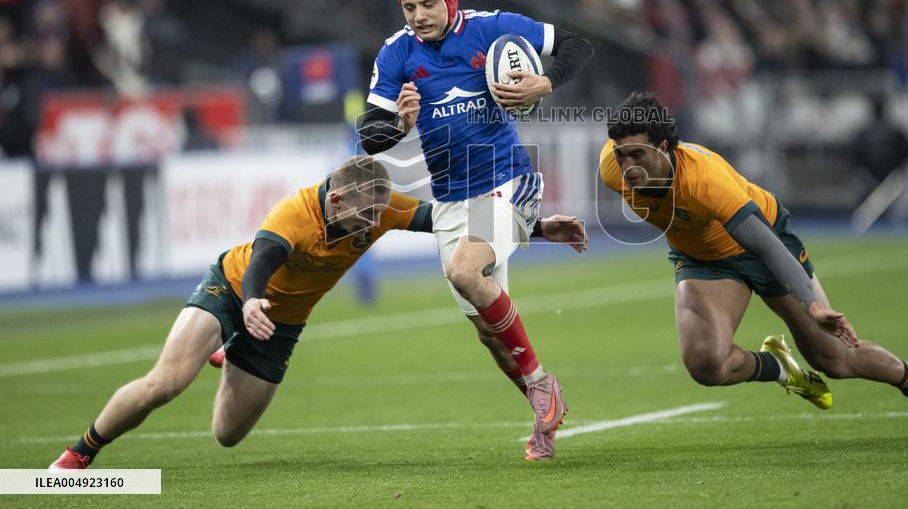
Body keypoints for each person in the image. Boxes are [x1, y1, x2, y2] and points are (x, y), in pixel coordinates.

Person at [49, 156, 587, 469]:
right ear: (334, 202)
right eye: (362, 218)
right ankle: (77, 456)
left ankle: (233, 352)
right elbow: (263, 259)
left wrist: (539, 228)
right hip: (233, 291)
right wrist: (251, 301)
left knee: (227, 435)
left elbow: (442, 222)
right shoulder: (296, 214)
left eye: (376, 217)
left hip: (281, 325)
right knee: (165, 383)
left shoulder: (376, 207)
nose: (370, 226)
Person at [597, 91, 908, 441]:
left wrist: (812, 303)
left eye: (638, 155)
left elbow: (765, 244)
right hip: (701, 258)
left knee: (833, 359)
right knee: (706, 364)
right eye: (622, 155)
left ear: (663, 148)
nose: (628, 167)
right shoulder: (611, 168)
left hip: (761, 245)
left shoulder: (704, 180)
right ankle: (781, 369)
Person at [358, 0, 594, 460]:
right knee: (489, 333)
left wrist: (545, 83)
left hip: (507, 180)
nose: (419, 16)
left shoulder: (493, 28)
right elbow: (370, 135)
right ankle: (545, 419)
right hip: (450, 200)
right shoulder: (397, 52)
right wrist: (399, 125)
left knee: (463, 270)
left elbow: (578, 44)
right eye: (409, 7)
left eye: (428, 4)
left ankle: (541, 383)